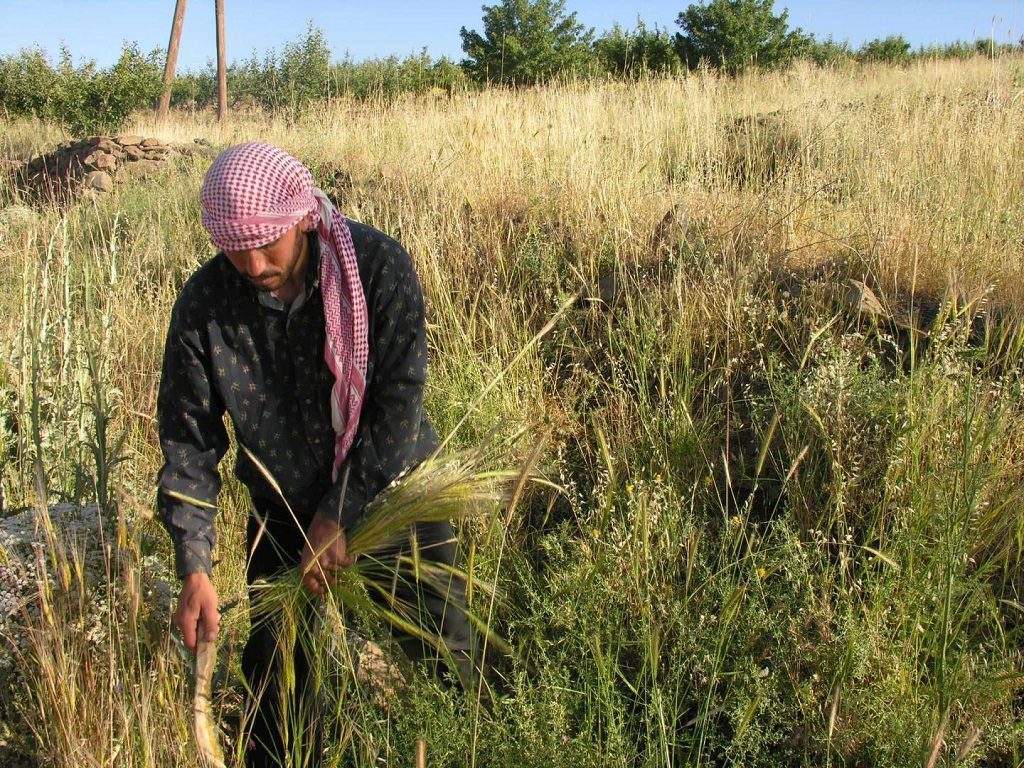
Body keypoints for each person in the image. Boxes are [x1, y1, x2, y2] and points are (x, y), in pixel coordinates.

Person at [156, 141, 470, 767]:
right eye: (232, 246)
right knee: (278, 688)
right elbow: (189, 441)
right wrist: (195, 563)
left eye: (266, 241)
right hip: (284, 511)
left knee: (446, 652)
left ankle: (479, 743)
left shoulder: (378, 270)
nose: (251, 262)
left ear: (302, 217)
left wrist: (341, 513)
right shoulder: (205, 305)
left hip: (394, 494)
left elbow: (397, 406)